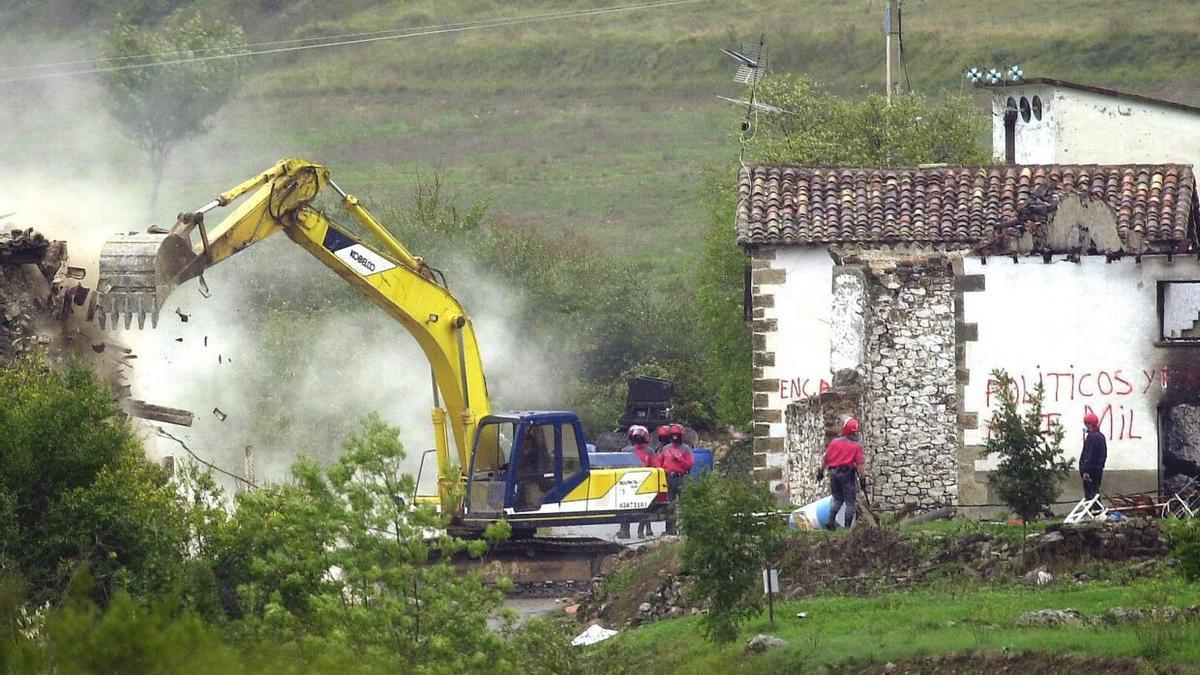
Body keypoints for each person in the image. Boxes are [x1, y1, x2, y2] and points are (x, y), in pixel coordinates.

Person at [816, 417, 866, 530]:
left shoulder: (834, 442)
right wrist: (863, 479)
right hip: (847, 474)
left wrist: (820, 472)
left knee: (837, 498)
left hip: (833, 473)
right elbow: (860, 464)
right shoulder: (856, 446)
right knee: (850, 501)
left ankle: (830, 520)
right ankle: (847, 527)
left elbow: (825, 458)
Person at [618, 425, 659, 539]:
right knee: (639, 508)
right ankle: (635, 531)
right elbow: (655, 466)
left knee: (628, 508)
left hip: (634, 483)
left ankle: (627, 531)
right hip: (638, 483)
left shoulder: (628, 450)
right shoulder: (647, 451)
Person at [659, 423, 694, 535]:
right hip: (668, 478)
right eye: (673, 435)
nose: (675, 437)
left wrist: (679, 460)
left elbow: (690, 464)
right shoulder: (666, 448)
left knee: (685, 504)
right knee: (669, 505)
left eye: (677, 435)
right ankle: (670, 530)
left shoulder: (686, 449)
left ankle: (687, 529)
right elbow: (659, 462)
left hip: (681, 478)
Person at [1080, 411, 1108, 501]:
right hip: (1098, 470)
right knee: (1095, 492)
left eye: (1086, 423)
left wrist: (1086, 470)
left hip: (1090, 471)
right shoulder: (1101, 436)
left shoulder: (1092, 437)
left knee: (1090, 494)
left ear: (1089, 424)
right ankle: (1097, 510)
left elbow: (1089, 455)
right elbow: (1104, 455)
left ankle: (1095, 511)